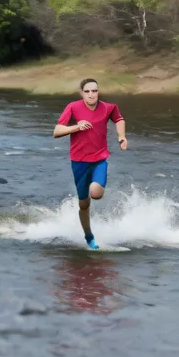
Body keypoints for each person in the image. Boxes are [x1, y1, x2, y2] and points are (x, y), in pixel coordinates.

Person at [53, 78, 127, 250]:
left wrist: (121, 136)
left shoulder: (108, 107)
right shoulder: (73, 107)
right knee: (84, 204)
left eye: (94, 91)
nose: (91, 94)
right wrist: (76, 127)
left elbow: (119, 119)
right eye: (87, 91)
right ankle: (89, 236)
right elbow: (57, 131)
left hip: (99, 159)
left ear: (98, 91)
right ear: (82, 93)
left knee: (95, 192)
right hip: (78, 161)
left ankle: (98, 185)